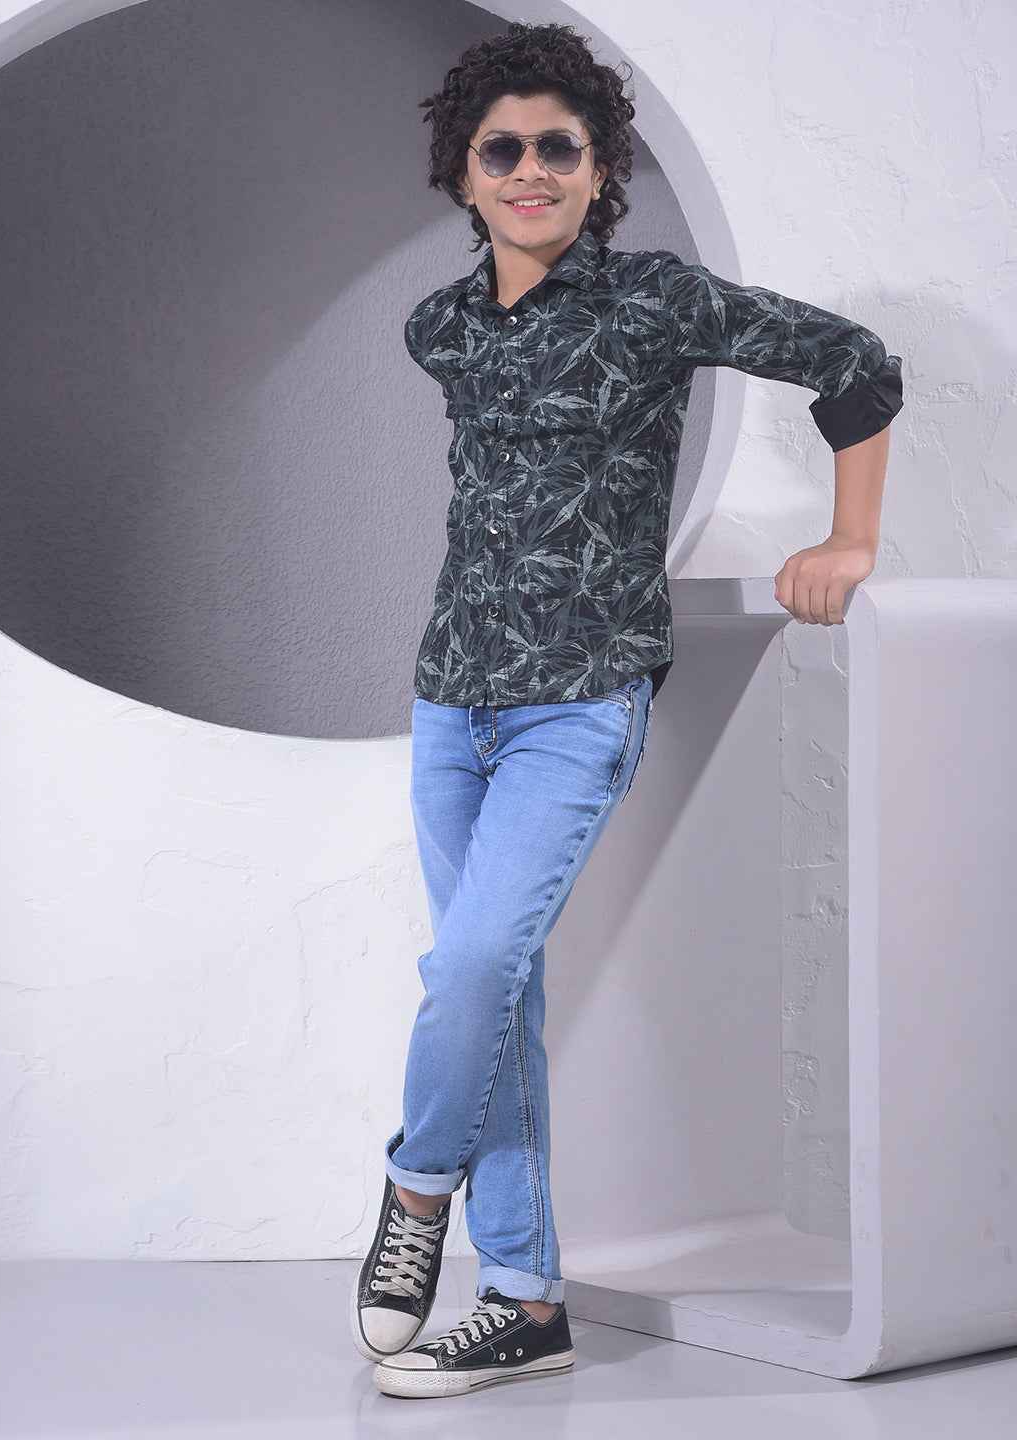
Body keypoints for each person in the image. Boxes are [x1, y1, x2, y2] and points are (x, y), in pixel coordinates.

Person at [352, 20, 903, 1400]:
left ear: (602, 172)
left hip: (580, 701)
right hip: (450, 701)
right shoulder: (441, 331)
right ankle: (527, 1301)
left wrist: (852, 540)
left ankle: (415, 1190)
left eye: (561, 147)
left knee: (472, 968)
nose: (531, 169)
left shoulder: (656, 301)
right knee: (496, 990)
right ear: (464, 174)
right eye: (503, 150)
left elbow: (855, 361)